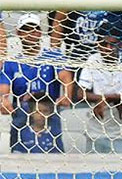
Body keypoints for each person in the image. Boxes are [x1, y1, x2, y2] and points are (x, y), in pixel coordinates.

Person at [0, 13, 72, 153]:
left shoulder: (53, 56)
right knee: (19, 165)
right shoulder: (11, 62)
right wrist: (3, 99)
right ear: (18, 33)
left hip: (49, 119)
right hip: (22, 120)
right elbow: (4, 87)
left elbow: (65, 76)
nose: (32, 32)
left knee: (54, 163)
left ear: (40, 32)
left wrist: (67, 94)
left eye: (35, 29)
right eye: (26, 29)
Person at [78, 22, 122, 153]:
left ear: (119, 44)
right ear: (97, 45)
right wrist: (119, 99)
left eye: (112, 44)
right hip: (97, 130)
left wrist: (110, 98)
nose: (108, 48)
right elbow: (80, 94)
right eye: (103, 44)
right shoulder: (93, 60)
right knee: (92, 171)